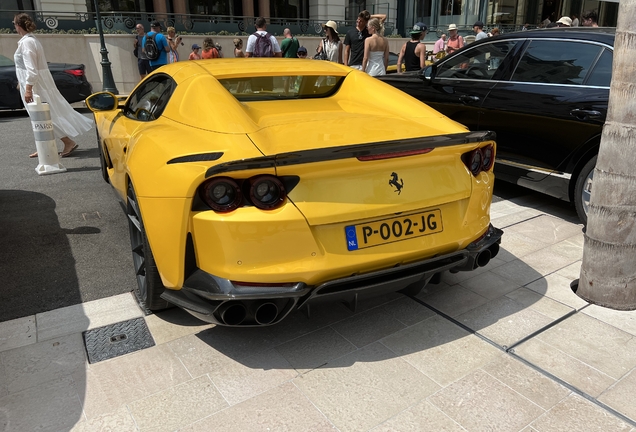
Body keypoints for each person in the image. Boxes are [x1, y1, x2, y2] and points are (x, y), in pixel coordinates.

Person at [13, 13, 92, 158]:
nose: (14, 27)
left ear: (18, 25)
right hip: (37, 83)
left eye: (14, 24)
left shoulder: (27, 42)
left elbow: (31, 69)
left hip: (37, 86)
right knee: (41, 115)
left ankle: (67, 142)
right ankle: (44, 146)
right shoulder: (30, 40)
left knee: (43, 115)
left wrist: (28, 88)